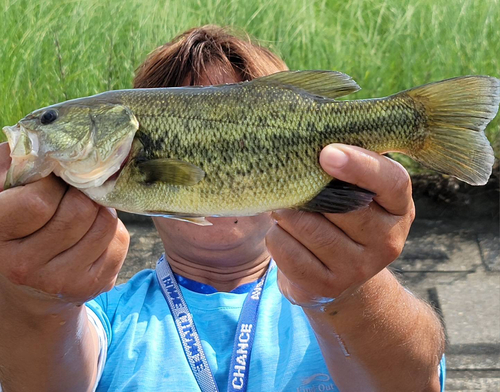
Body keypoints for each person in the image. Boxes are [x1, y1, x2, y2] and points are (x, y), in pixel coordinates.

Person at [0, 25, 445, 391]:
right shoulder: (105, 313)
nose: (41, 126)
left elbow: (414, 379)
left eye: (51, 119)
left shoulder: (331, 304)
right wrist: (36, 303)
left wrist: (353, 292)